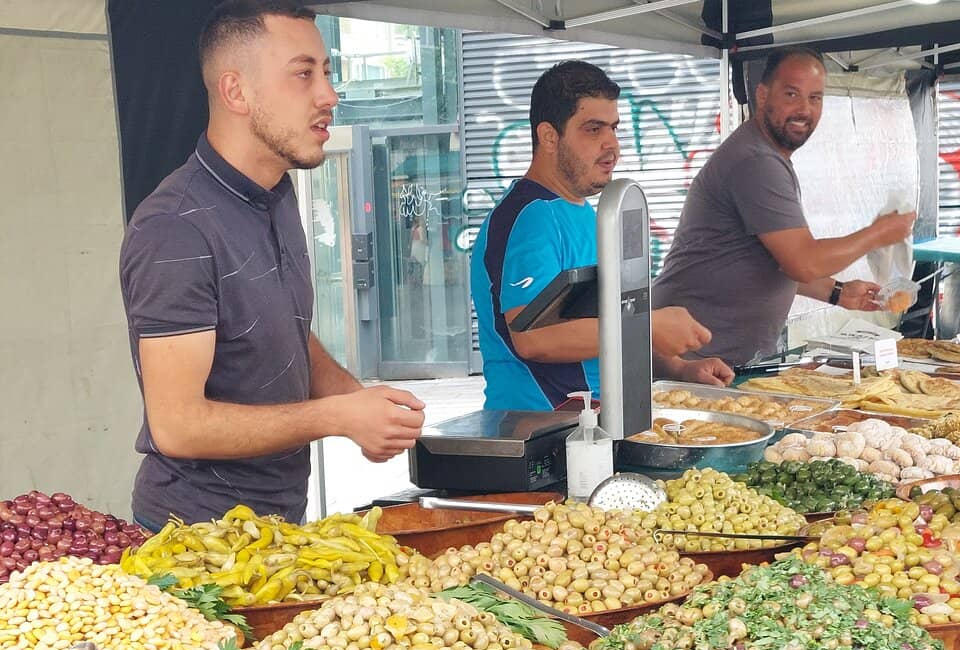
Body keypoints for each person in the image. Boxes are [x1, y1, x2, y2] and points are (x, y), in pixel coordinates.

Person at [119, 0, 424, 529]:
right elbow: (177, 425)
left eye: (326, 73)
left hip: (280, 525)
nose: (328, 96)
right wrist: (336, 417)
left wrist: (359, 402)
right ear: (236, 91)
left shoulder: (277, 194)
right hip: (195, 540)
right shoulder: (174, 226)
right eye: (303, 74)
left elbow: (287, 333)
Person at [471, 60, 733, 413]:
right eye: (593, 130)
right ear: (549, 136)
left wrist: (680, 368)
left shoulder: (585, 213)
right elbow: (532, 337)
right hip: (542, 431)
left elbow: (602, 327)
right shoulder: (531, 217)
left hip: (597, 424)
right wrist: (649, 326)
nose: (612, 145)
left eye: (614, 129)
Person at [652, 47, 917, 368]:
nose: (804, 109)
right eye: (792, 94)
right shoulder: (756, 161)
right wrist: (879, 233)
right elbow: (802, 263)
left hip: (717, 361)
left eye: (815, 98)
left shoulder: (766, 156)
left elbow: (776, 261)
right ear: (762, 95)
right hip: (687, 364)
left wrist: (837, 293)